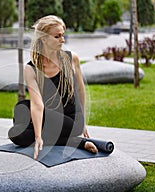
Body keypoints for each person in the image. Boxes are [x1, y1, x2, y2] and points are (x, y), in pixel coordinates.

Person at [8, 15, 98, 160]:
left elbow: (81, 90)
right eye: (57, 36)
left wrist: (84, 123)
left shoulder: (71, 59)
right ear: (44, 39)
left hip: (72, 121)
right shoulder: (31, 69)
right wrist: (37, 136)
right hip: (49, 115)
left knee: (26, 114)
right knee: (17, 130)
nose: (62, 40)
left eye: (63, 35)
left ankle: (78, 141)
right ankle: (69, 141)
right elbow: (37, 104)